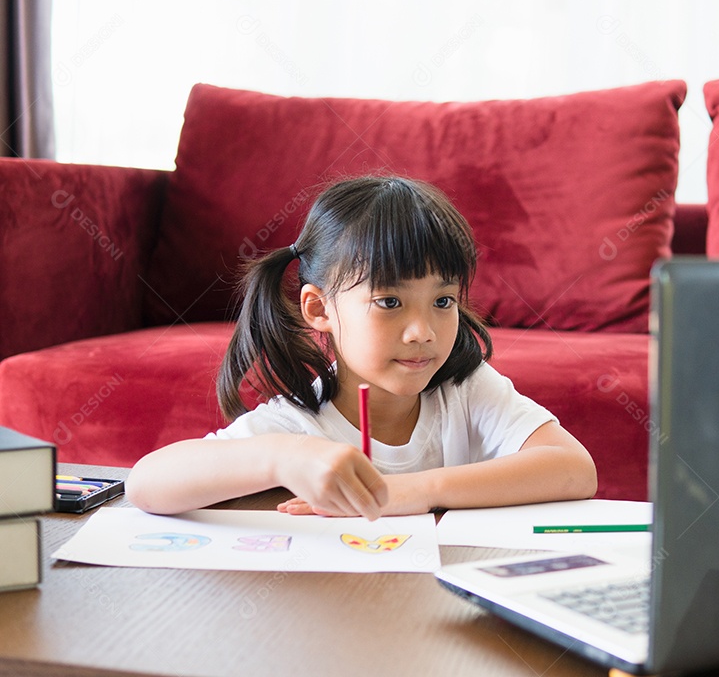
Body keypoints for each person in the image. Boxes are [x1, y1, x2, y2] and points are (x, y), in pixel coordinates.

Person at [126, 176, 597, 518]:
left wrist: (404, 492)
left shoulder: (465, 390)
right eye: (389, 301)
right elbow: (146, 484)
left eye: (443, 300)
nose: (422, 331)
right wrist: (282, 459)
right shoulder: (298, 426)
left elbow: (574, 469)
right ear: (319, 310)